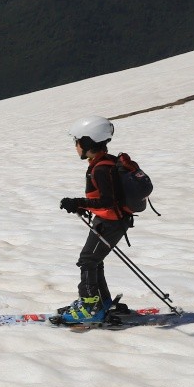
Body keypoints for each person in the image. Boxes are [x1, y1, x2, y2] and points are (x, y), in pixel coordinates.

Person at [56, 115, 134, 325]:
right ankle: (101, 302)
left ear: (88, 142)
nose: (76, 146)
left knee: (88, 260)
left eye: (77, 141)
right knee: (92, 259)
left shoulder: (101, 168)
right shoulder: (103, 163)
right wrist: (83, 205)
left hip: (111, 223)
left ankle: (90, 306)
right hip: (109, 221)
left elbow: (107, 201)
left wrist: (78, 203)